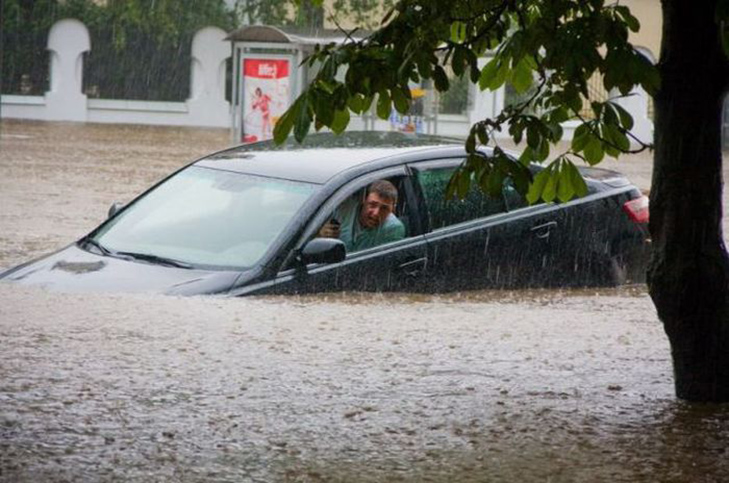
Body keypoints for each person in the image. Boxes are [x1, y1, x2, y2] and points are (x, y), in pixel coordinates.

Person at [319, 180, 406, 252]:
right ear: (364, 200)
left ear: (392, 210)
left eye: (384, 208)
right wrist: (320, 235)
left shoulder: (394, 228)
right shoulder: (341, 209)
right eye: (372, 204)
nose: (376, 213)